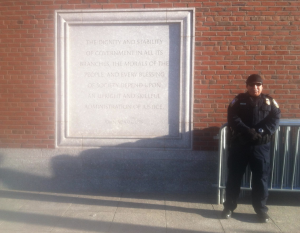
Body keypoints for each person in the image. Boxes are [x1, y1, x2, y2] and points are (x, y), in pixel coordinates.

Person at [222, 74, 281, 223]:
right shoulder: (238, 101)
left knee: (260, 179)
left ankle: (261, 211)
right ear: (247, 86)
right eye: (252, 85)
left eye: (258, 85)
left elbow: (275, 119)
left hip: (260, 147)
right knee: (234, 177)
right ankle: (228, 207)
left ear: (262, 86)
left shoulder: (269, 102)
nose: (255, 87)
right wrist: (247, 130)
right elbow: (232, 117)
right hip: (240, 145)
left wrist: (260, 131)